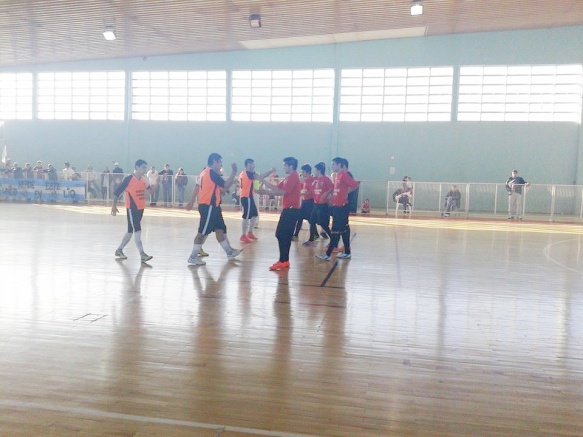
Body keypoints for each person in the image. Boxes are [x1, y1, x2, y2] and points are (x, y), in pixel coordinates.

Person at [185, 153, 241, 266]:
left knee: (220, 229)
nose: (221, 165)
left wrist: (191, 201)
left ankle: (229, 252)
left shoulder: (204, 173)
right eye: (220, 162)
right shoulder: (210, 172)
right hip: (208, 207)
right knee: (202, 233)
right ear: (214, 162)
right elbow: (225, 184)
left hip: (214, 207)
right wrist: (234, 172)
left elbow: (201, 187)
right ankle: (192, 257)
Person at [261, 157, 302, 271]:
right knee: (284, 235)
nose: (283, 167)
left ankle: (283, 260)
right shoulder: (288, 178)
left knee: (281, 234)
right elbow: (276, 188)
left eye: (285, 165)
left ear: (291, 166)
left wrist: (265, 187)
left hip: (291, 210)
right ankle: (284, 260)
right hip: (288, 210)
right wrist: (264, 187)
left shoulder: (294, 177)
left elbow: (283, 192)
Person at [316, 157, 359, 261]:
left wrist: (345, 194)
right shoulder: (337, 176)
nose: (332, 166)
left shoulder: (344, 175)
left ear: (340, 165)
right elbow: (337, 190)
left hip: (342, 207)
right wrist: (332, 198)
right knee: (344, 230)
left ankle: (327, 254)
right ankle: (347, 252)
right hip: (337, 206)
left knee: (335, 230)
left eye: (334, 164)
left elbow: (355, 185)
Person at [111, 159, 153, 263]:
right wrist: (114, 205)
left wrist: (153, 188)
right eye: (143, 167)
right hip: (132, 208)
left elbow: (150, 191)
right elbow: (117, 192)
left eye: (145, 168)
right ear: (137, 167)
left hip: (141, 208)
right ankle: (142, 254)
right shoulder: (128, 179)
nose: (144, 170)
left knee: (130, 231)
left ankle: (119, 250)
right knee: (137, 229)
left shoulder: (144, 179)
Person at [238, 158, 274, 243]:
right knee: (246, 215)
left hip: (250, 196)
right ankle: (243, 235)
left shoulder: (249, 174)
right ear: (246, 166)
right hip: (246, 196)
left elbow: (256, 185)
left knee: (254, 214)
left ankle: (250, 232)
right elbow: (259, 177)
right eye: (251, 165)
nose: (253, 166)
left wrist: (261, 190)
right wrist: (270, 171)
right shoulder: (246, 173)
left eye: (253, 165)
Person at [304, 162, 333, 247]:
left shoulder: (326, 179)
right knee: (312, 221)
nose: (314, 171)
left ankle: (333, 240)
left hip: (323, 205)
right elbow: (312, 191)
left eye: (315, 170)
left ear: (319, 170)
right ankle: (311, 240)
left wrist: (326, 194)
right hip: (316, 205)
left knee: (323, 224)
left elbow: (332, 188)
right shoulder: (315, 180)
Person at [292, 163, 317, 242]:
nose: (301, 173)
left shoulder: (312, 180)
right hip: (304, 201)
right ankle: (296, 235)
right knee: (299, 218)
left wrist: (303, 193)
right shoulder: (304, 181)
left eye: (303, 171)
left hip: (310, 202)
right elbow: (301, 189)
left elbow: (312, 192)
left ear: (307, 172)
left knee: (310, 219)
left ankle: (314, 235)